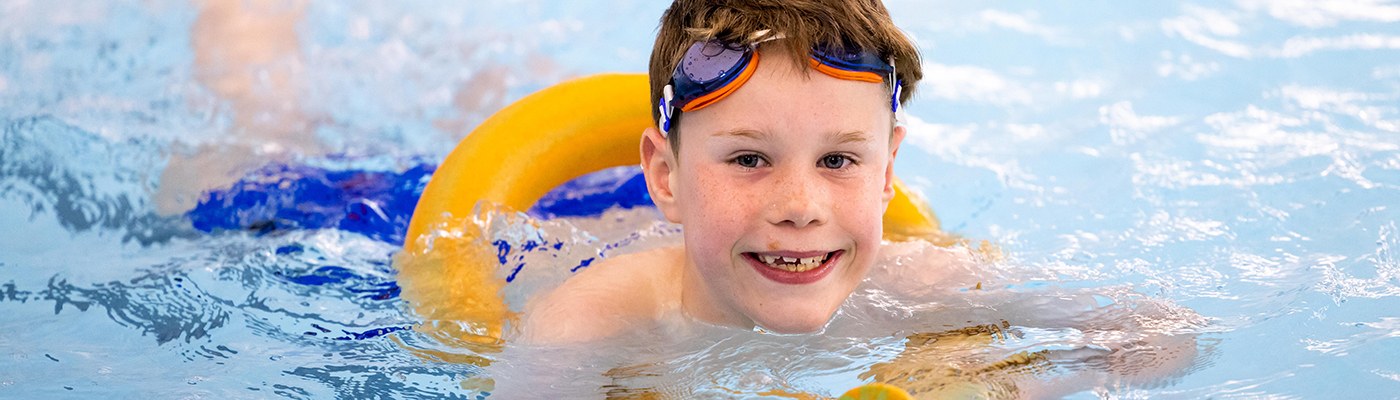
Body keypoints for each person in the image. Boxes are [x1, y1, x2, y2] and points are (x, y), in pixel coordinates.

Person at [522, 0, 939, 344]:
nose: (800, 208)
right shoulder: (585, 329)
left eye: (836, 160)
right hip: (574, 215)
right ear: (667, 177)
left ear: (886, 175)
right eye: (749, 159)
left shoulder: (927, 290)